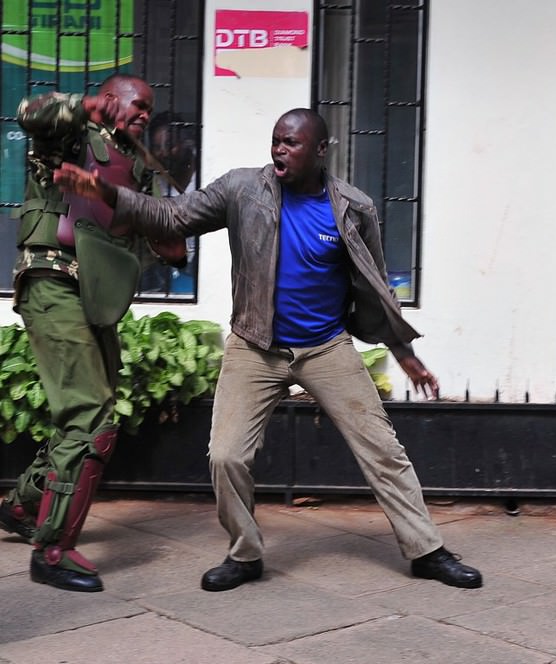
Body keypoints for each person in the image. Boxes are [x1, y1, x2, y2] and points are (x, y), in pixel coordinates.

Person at [53, 108, 483, 592]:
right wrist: (108, 192)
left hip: (326, 347)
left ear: (321, 150)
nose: (279, 149)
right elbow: (172, 215)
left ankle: (427, 550)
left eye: (292, 143)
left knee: (383, 450)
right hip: (255, 345)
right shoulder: (241, 190)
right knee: (225, 456)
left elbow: (375, 286)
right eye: (276, 140)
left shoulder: (353, 207)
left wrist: (403, 351)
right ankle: (245, 553)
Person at [0, 74, 186, 592]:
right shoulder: (75, 134)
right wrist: (82, 105)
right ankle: (52, 549)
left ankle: (21, 507)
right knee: (93, 418)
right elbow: (31, 113)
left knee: (91, 412)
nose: (145, 114)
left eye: (151, 107)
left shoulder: (140, 171)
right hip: (52, 281)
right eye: (137, 104)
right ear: (111, 98)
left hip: (94, 300)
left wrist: (167, 241)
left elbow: (148, 239)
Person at [138, 111, 199, 294]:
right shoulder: (154, 180)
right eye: (157, 146)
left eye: (169, 145)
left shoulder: (204, 178)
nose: (163, 153)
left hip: (195, 274)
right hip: (160, 271)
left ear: (186, 143)